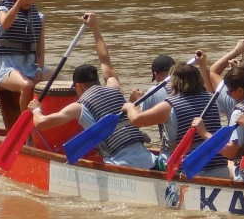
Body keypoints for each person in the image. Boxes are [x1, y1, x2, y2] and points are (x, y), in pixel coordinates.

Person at [27, 13, 156, 169]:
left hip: (121, 165)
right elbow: (105, 60)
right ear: (96, 80)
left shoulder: (79, 107)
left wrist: (36, 110)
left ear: (78, 87)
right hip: (148, 160)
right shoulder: (114, 87)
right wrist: (95, 28)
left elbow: (42, 124)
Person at [123, 56, 229, 178]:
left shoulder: (169, 105)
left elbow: (136, 121)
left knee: (154, 160)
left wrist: (130, 106)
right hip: (220, 166)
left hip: (187, 170)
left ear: (175, 82)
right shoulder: (213, 100)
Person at [0, 0, 47, 109]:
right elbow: (5, 24)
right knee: (27, 86)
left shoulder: (37, 16)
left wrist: (39, 69)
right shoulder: (2, 9)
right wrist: (19, 1)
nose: (29, 0)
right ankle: (26, 128)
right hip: (6, 66)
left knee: (69, 84)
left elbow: (40, 48)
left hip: (30, 66)